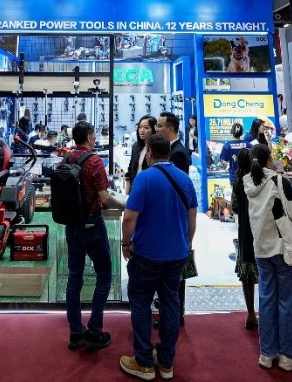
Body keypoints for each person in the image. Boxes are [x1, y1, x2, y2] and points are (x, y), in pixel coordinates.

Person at [119, 133, 197, 381]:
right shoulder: (185, 179)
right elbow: (192, 218)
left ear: (150, 153)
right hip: (177, 254)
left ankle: (143, 362)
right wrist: (186, 244)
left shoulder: (145, 178)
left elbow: (129, 217)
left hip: (147, 254)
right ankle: (166, 362)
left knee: (141, 302)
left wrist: (126, 244)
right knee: (170, 303)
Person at [64, 121, 126, 352]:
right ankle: (94, 330)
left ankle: (75, 332)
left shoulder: (66, 159)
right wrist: (124, 206)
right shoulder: (94, 161)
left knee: (74, 278)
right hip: (92, 226)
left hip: (72, 226)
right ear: (90, 137)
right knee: (104, 275)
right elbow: (104, 198)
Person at [243, 142, 292, 371]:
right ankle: (288, 356)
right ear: (269, 160)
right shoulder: (279, 181)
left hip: (261, 248)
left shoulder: (248, 183)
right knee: (287, 301)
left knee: (267, 299)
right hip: (283, 247)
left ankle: (267, 353)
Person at [157, 111, 191, 324]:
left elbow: (176, 188)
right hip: (172, 218)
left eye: (160, 126)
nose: (157, 129)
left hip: (174, 218)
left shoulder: (177, 153)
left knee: (175, 271)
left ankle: (175, 315)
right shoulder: (173, 149)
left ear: (170, 128)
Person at [233, 148, 259, 331]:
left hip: (245, 233)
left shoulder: (239, 183)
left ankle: (251, 313)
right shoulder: (261, 182)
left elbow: (234, 207)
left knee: (247, 276)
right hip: (261, 232)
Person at [126, 116, 156, 190]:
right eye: (140, 127)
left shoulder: (156, 148)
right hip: (135, 187)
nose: (142, 130)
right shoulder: (135, 146)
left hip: (149, 188)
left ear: (153, 129)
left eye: (146, 128)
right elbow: (131, 168)